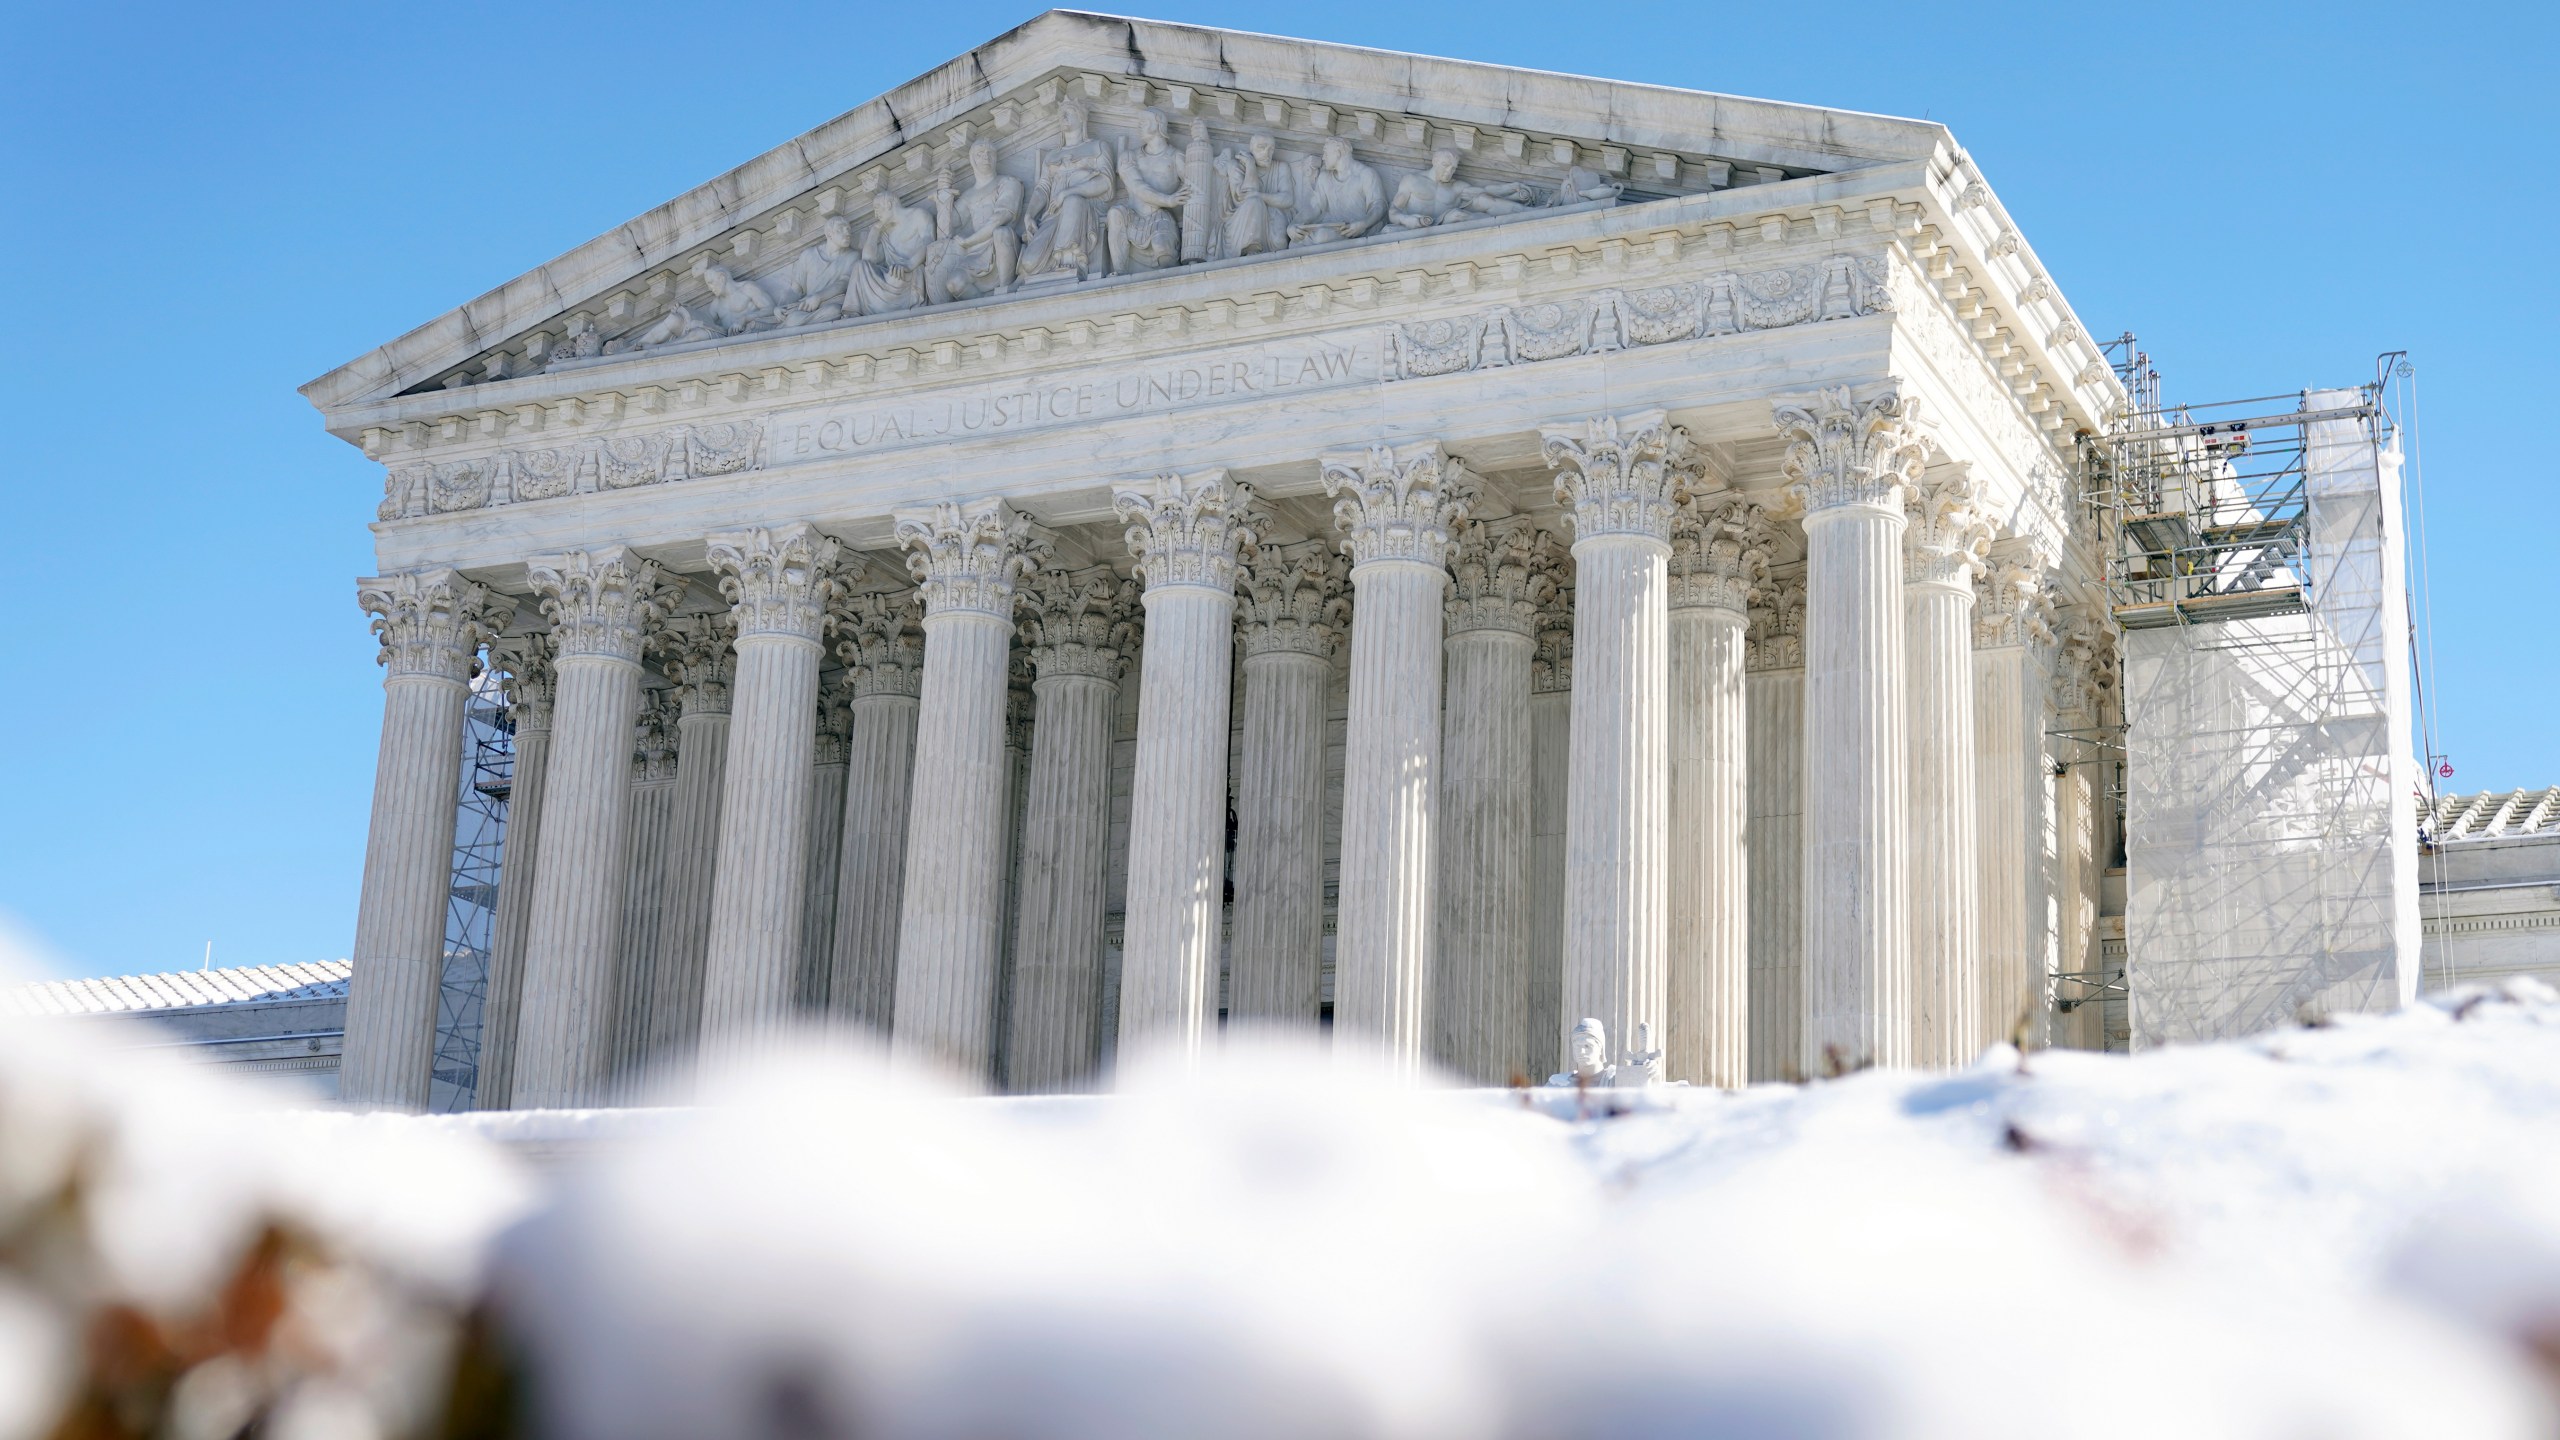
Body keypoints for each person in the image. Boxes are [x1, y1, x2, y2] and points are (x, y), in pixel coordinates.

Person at [1020, 99, 1115, 280]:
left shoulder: (1098, 147)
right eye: (1060, 113)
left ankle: (1069, 260)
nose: (1063, 116)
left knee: (1073, 201)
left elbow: (1106, 183)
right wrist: (1029, 214)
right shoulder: (1052, 156)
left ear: (1081, 118)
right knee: (1029, 263)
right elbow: (1043, 188)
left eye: (1069, 111)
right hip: (1053, 215)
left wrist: (1068, 193)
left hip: (1087, 211)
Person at [925, 139, 1024, 304]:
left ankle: (1005, 292)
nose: (985, 157)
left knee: (1002, 232)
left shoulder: (1008, 182)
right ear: (972, 160)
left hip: (1000, 248)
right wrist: (944, 192)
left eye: (989, 153)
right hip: (976, 254)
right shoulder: (969, 195)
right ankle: (986, 307)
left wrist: (969, 240)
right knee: (954, 283)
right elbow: (946, 231)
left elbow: (1001, 218)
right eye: (980, 153)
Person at [1107, 108, 1189, 274]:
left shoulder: (1176, 157)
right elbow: (1137, 187)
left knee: (1164, 256)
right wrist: (1169, 200)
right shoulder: (1129, 157)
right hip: (1133, 217)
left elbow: (1194, 188)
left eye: (1144, 122)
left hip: (1160, 218)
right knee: (1115, 213)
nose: (1139, 127)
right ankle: (1119, 274)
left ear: (1158, 124)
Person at [1389, 148, 1533, 229]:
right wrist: (1406, 219)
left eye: (1453, 169)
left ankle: (1528, 214)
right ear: (1434, 162)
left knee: (1483, 200)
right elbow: (1393, 211)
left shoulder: (1456, 186)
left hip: (1445, 221)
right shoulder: (1412, 180)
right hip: (1418, 226)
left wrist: (1511, 187)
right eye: (1445, 165)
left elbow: (1485, 191)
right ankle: (1499, 226)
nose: (1449, 172)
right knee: (1459, 214)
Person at [846, 190, 936, 316]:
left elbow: (930, 243)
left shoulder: (918, 215)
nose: (876, 215)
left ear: (888, 204)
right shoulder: (886, 232)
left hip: (910, 274)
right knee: (859, 266)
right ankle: (852, 313)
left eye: (877, 209)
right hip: (892, 274)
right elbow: (868, 260)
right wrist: (874, 231)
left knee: (896, 278)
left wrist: (909, 265)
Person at [1285, 137, 1386, 246]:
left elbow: (1378, 206)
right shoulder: (1324, 178)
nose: (1323, 158)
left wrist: (1363, 224)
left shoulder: (1366, 175)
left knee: (1322, 236)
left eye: (1326, 153)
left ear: (1338, 153)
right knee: (1294, 244)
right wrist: (1294, 224)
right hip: (1331, 227)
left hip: (1354, 230)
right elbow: (1314, 207)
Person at [1216, 131, 1295, 257]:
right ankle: (1251, 248)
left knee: (1280, 241)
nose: (1266, 153)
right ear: (1251, 148)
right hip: (1241, 222)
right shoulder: (1235, 165)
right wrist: (1250, 166)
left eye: (1271, 149)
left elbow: (1288, 199)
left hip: (1271, 219)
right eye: (1261, 148)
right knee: (1254, 203)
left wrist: (1260, 195)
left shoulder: (1281, 167)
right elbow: (1243, 198)